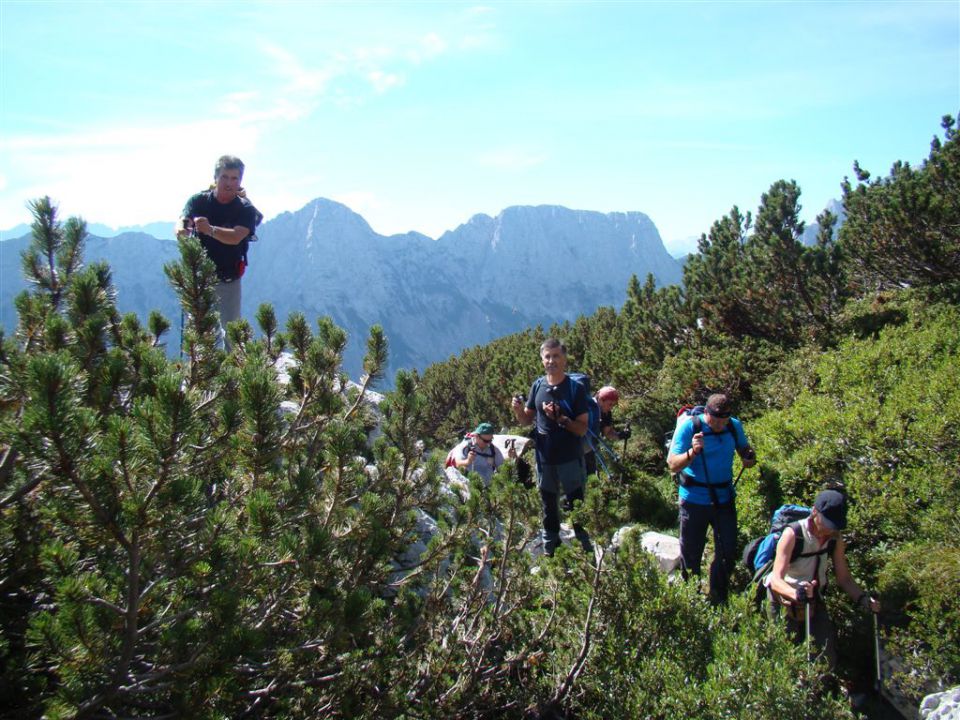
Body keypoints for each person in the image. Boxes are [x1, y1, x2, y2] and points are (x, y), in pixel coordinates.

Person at [765, 489, 880, 670]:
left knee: (824, 660)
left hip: (814, 600)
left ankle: (816, 692)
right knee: (782, 659)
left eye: (834, 526)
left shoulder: (835, 538)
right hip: (783, 602)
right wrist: (797, 593)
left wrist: (863, 599)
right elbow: (776, 580)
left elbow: (844, 579)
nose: (829, 530)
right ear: (814, 512)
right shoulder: (793, 534)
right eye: (826, 523)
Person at [666, 393, 756, 603]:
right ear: (706, 412)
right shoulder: (689, 427)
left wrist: (748, 456)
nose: (718, 425)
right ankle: (691, 597)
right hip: (693, 500)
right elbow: (672, 464)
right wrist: (693, 452)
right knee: (691, 552)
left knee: (727, 550)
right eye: (714, 420)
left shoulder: (733, 426)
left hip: (724, 498)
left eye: (722, 421)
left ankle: (718, 595)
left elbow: (744, 448)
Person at [511, 338, 592, 556]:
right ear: (541, 360)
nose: (551, 361)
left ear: (564, 359)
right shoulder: (538, 385)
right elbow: (527, 420)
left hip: (570, 457)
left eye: (556, 356)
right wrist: (518, 411)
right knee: (548, 504)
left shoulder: (575, 389)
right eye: (547, 356)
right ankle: (551, 550)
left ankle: (585, 548)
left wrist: (561, 418)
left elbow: (582, 429)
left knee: (577, 503)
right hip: (544, 458)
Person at [177, 155, 262, 349]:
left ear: (240, 182)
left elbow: (236, 236)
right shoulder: (199, 201)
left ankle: (232, 376)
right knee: (198, 332)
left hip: (228, 277)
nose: (229, 183)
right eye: (225, 177)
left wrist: (210, 230)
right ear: (216, 178)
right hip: (199, 278)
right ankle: (198, 375)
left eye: (234, 178)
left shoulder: (245, 209)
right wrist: (182, 230)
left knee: (232, 334)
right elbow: (183, 220)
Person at [584, 385, 627, 476]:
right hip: (580, 447)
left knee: (590, 476)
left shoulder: (607, 414)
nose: (611, 407)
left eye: (613, 405)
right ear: (600, 400)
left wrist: (620, 435)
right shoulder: (587, 408)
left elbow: (607, 433)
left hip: (591, 449)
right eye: (610, 404)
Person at [452, 422, 505, 487]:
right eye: (485, 441)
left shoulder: (493, 449)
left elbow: (502, 467)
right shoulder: (466, 447)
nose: (488, 443)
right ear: (476, 436)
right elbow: (457, 463)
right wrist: (468, 461)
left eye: (490, 440)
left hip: (489, 489)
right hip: (471, 488)